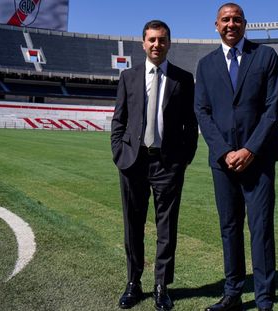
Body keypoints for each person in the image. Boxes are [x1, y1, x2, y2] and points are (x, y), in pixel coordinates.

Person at [194, 3, 278, 311]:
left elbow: (273, 109)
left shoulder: (266, 56)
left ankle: (264, 300)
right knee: (229, 227)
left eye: (236, 19)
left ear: (245, 24)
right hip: (223, 162)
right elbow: (202, 112)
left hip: (258, 160)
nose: (231, 24)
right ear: (216, 25)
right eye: (225, 20)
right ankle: (232, 293)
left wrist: (249, 149)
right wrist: (224, 152)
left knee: (260, 229)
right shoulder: (205, 65)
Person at [111, 20, 198, 310]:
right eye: (151, 40)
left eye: (161, 40)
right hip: (133, 162)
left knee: (167, 228)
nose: (156, 45)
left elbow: (190, 124)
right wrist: (118, 154)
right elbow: (119, 120)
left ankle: (162, 286)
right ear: (143, 43)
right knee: (132, 226)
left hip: (167, 164)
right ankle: (133, 283)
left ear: (169, 43)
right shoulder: (128, 77)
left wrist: (183, 160)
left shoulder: (183, 79)